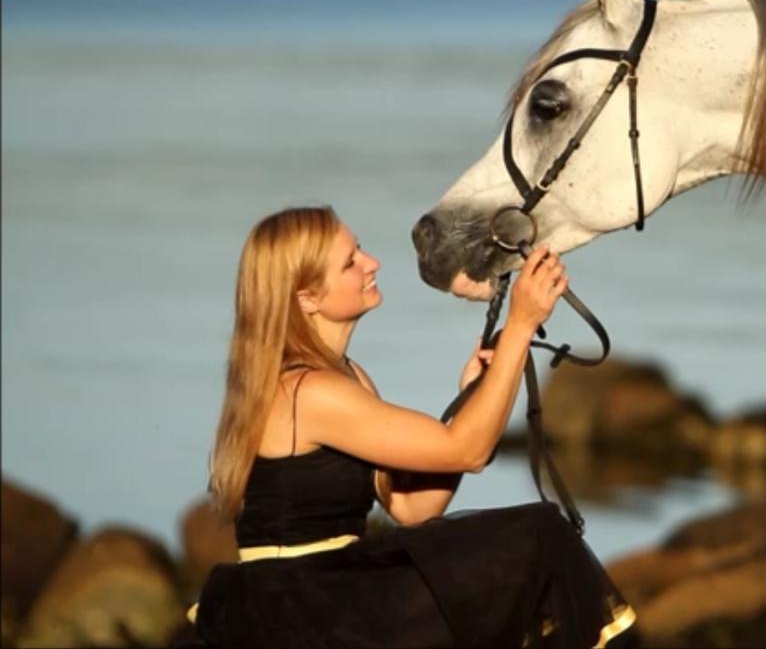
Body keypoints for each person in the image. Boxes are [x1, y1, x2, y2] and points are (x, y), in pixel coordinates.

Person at [183, 205, 635, 648]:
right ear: (308, 299)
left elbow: (411, 507)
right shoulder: (307, 390)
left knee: (531, 544)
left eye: (359, 249)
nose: (371, 262)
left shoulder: (347, 376)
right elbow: (467, 451)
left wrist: (475, 395)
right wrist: (520, 325)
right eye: (350, 262)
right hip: (298, 603)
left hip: (331, 588)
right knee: (535, 537)